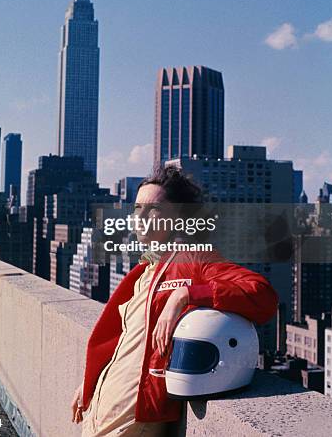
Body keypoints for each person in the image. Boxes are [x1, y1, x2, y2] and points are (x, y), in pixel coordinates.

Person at [71, 166, 278, 436]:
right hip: (102, 406)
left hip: (136, 414)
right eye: (136, 208)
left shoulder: (193, 258)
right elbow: (127, 341)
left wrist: (186, 295)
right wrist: (91, 384)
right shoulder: (143, 272)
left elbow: (261, 294)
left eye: (154, 208)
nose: (141, 217)